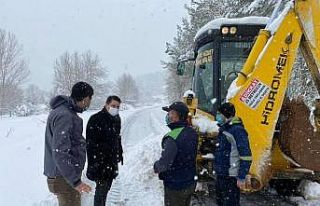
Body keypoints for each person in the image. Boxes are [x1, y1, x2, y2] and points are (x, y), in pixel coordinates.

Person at [44, 82, 93, 206]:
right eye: (90, 99)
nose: (89, 103)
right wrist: (75, 181)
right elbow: (60, 151)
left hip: (65, 176)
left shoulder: (65, 112)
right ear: (85, 98)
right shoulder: (64, 116)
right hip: (63, 178)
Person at [154, 101, 198, 206]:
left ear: (178, 116)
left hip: (175, 185)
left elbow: (164, 164)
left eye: (170, 113)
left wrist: (156, 166)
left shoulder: (172, 137)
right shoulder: (192, 132)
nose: (168, 115)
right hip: (190, 182)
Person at [86, 95, 123, 206]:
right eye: (113, 106)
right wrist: (95, 164)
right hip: (100, 163)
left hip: (111, 162)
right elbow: (90, 145)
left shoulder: (116, 119)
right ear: (106, 105)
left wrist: (118, 153)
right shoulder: (95, 119)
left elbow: (117, 138)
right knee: (101, 192)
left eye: (117, 106)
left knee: (106, 189)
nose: (115, 108)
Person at [214, 102, 252, 206]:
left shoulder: (237, 130)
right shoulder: (225, 129)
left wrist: (241, 177)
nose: (217, 116)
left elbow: (246, 156)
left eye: (219, 113)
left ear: (226, 114)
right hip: (222, 175)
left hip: (231, 177)